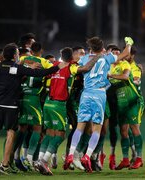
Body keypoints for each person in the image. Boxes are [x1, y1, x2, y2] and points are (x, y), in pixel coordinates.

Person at [0, 43, 68, 175]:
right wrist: (57, 67)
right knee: (11, 133)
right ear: (15, 55)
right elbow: (39, 73)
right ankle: (4, 164)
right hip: (11, 105)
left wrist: (5, 82)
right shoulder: (17, 68)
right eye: (17, 53)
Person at [63, 37, 134, 173]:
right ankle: (87, 156)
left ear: (90, 48)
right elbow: (125, 54)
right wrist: (129, 43)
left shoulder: (84, 59)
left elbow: (73, 64)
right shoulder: (107, 58)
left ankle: (71, 154)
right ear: (102, 47)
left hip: (86, 94)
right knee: (97, 129)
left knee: (80, 127)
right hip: (99, 95)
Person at [37, 47, 99, 176]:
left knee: (50, 133)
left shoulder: (54, 65)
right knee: (60, 135)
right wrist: (97, 57)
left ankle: (39, 160)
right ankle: (44, 161)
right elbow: (86, 68)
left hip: (47, 103)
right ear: (71, 57)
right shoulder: (70, 67)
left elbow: (41, 68)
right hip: (59, 105)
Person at [107, 46, 143, 170]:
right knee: (123, 131)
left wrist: (110, 75)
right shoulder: (109, 67)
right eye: (114, 52)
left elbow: (127, 77)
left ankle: (139, 158)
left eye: (119, 52)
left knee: (134, 129)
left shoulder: (126, 65)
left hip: (133, 101)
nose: (117, 54)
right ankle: (126, 160)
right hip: (121, 103)